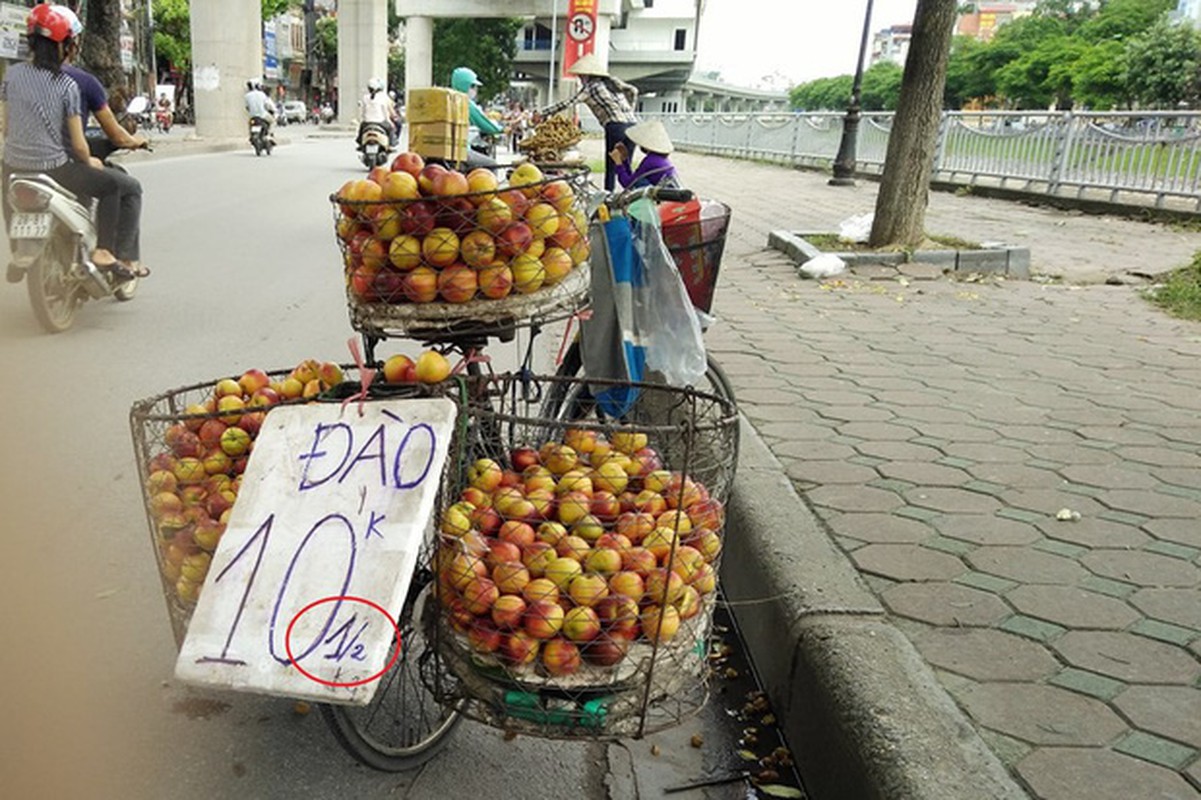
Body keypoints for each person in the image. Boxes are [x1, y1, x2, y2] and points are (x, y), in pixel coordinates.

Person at [1, 4, 134, 279]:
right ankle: (104, 252)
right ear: (66, 46)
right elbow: (78, 144)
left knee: (10, 192)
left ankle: (19, 250)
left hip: (14, 167)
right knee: (111, 186)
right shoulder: (67, 85)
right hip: (55, 168)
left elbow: (5, 125)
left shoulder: (11, 76)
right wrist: (90, 162)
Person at [60, 17, 150, 278]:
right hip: (64, 163)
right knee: (126, 187)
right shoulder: (80, 82)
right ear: (73, 44)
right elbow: (88, 142)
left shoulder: (19, 78)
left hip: (21, 165)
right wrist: (89, 158)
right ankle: (121, 257)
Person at [534, 53, 638, 191]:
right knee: (626, 164)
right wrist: (630, 109)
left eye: (581, 76)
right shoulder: (613, 82)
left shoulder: (590, 88)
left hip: (615, 126)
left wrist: (542, 113)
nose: (580, 79)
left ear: (587, 75)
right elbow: (633, 90)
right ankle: (631, 197)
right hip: (632, 125)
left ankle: (608, 197)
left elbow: (569, 102)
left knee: (611, 165)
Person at [451, 66, 503, 167]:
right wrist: (502, 129)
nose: (475, 90)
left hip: (448, 149)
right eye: (473, 86)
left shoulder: (450, 99)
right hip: (461, 151)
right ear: (466, 85)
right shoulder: (466, 103)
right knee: (492, 164)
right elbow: (485, 125)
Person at [612, 119, 680, 190]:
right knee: (640, 181)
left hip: (664, 196)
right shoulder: (659, 159)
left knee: (640, 183)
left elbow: (628, 184)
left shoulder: (650, 161)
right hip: (669, 193)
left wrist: (618, 163)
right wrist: (625, 160)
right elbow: (633, 179)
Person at [358, 77, 396, 147]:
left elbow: (363, 112)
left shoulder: (365, 97)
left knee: (361, 129)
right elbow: (385, 112)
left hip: (367, 123)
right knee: (391, 129)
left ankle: (360, 143)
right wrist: (389, 122)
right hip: (380, 122)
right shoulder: (383, 98)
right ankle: (391, 144)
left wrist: (363, 120)